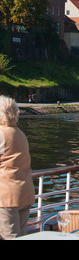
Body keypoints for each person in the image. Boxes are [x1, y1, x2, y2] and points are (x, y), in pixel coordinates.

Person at [0, 95, 35, 240]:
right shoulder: (20, 133)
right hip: (25, 192)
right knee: (21, 236)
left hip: (6, 195)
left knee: (10, 236)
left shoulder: (1, 133)